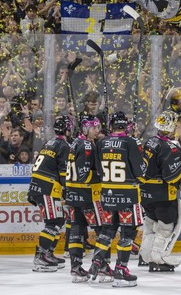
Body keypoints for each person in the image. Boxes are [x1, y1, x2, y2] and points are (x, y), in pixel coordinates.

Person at [87, 111, 146, 287]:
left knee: (107, 230)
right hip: (128, 195)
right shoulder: (131, 142)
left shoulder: (102, 142)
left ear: (111, 126)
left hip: (107, 194)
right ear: (126, 126)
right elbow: (140, 170)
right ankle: (121, 269)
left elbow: (98, 169)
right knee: (128, 233)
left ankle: (96, 264)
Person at [139, 111, 181, 272]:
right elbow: (171, 176)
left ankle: (145, 257)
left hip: (146, 193)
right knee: (165, 227)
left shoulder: (150, 141)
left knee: (150, 225)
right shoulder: (169, 148)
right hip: (162, 194)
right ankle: (158, 260)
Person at [27, 115, 72, 272]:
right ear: (67, 129)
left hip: (39, 186)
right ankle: (41, 256)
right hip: (47, 187)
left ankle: (48, 253)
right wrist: (68, 191)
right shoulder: (64, 146)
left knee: (58, 219)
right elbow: (64, 172)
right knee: (54, 221)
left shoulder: (49, 143)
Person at [65, 114, 106, 283]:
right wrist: (101, 177)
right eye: (95, 127)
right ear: (86, 129)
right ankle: (103, 267)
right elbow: (84, 175)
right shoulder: (87, 145)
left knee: (76, 229)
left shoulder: (75, 142)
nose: (98, 130)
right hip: (87, 195)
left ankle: (75, 267)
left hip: (72, 195)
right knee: (102, 229)